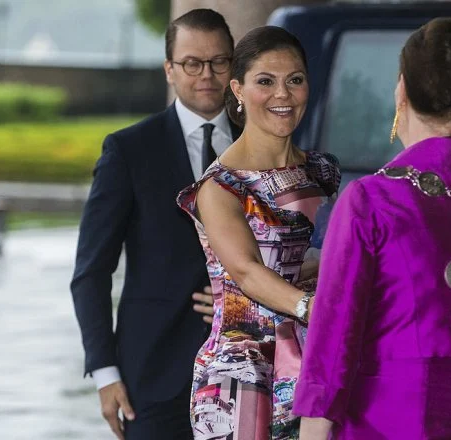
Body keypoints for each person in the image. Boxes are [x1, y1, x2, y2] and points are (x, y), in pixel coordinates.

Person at [293, 17, 451, 440]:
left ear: (401, 90)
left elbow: (333, 344)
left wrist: (312, 431)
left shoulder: (372, 201)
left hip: (390, 422)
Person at [70, 9, 241, 440]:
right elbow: (91, 273)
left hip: (246, 369)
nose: (206, 74)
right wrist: (106, 373)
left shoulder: (260, 146)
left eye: (219, 61)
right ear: (169, 69)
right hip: (151, 375)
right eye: (191, 63)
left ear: (233, 67)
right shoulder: (128, 151)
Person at [176, 26, 340, 440]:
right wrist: (314, 308)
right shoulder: (221, 186)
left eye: (295, 80)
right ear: (238, 90)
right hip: (242, 372)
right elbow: (247, 271)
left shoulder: (322, 172)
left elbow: (326, 253)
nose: (282, 95)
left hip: (321, 357)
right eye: (265, 81)